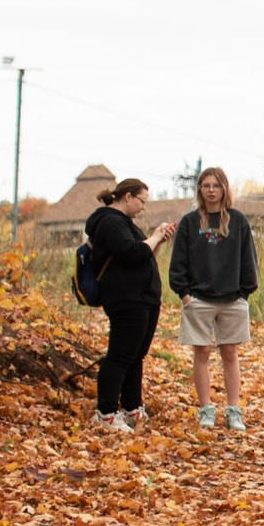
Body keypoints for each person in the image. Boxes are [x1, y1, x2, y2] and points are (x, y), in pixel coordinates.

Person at [168, 165, 259, 434]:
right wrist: (185, 295)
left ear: (224, 188)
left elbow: (249, 259)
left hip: (232, 298)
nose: (210, 190)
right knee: (202, 352)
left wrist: (244, 293)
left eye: (215, 185)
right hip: (198, 299)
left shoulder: (238, 220)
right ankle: (206, 409)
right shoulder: (189, 222)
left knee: (230, 353)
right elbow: (178, 262)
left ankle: (233, 410)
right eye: (205, 185)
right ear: (199, 189)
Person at [86, 178, 175, 432]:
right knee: (120, 356)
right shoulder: (108, 222)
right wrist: (154, 235)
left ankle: (131, 407)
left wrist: (159, 241)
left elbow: (145, 257)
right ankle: (106, 413)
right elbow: (130, 253)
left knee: (136, 356)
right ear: (127, 196)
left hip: (144, 297)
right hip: (126, 299)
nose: (143, 207)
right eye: (142, 201)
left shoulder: (126, 224)